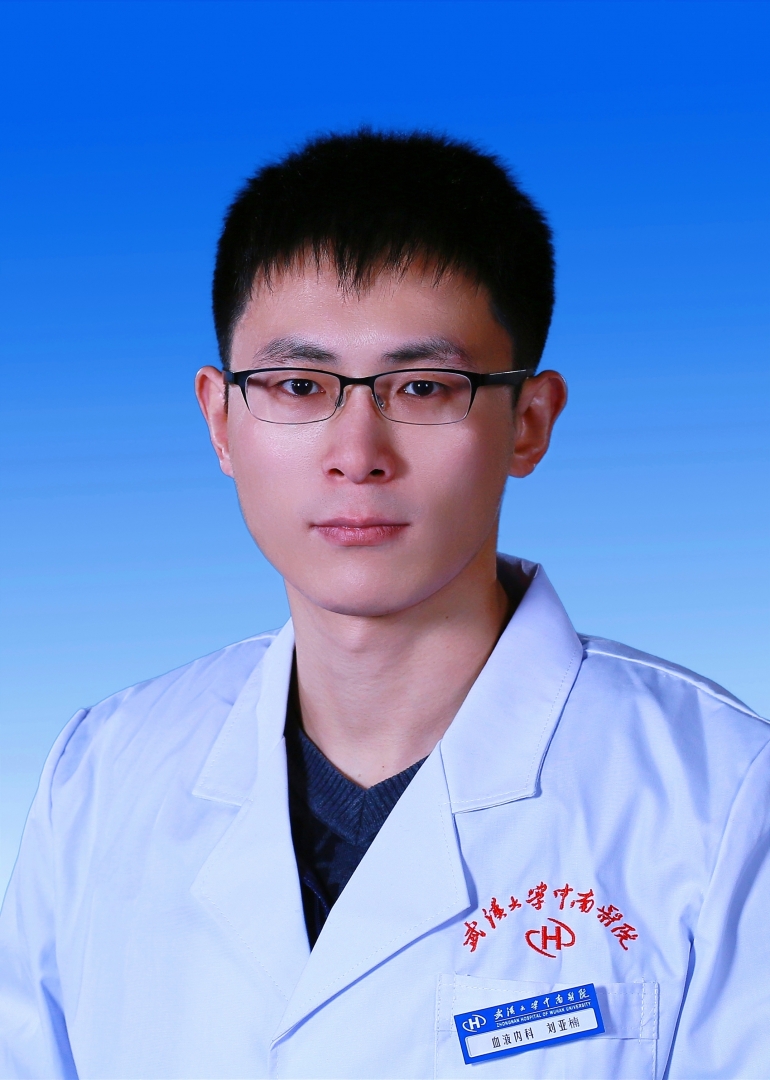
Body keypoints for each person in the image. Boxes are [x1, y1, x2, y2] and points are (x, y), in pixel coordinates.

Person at [1, 130, 768, 1080]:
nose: (357, 453)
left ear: (528, 422)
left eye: (423, 387)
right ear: (221, 419)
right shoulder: (101, 776)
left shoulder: (725, 800)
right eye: (297, 385)